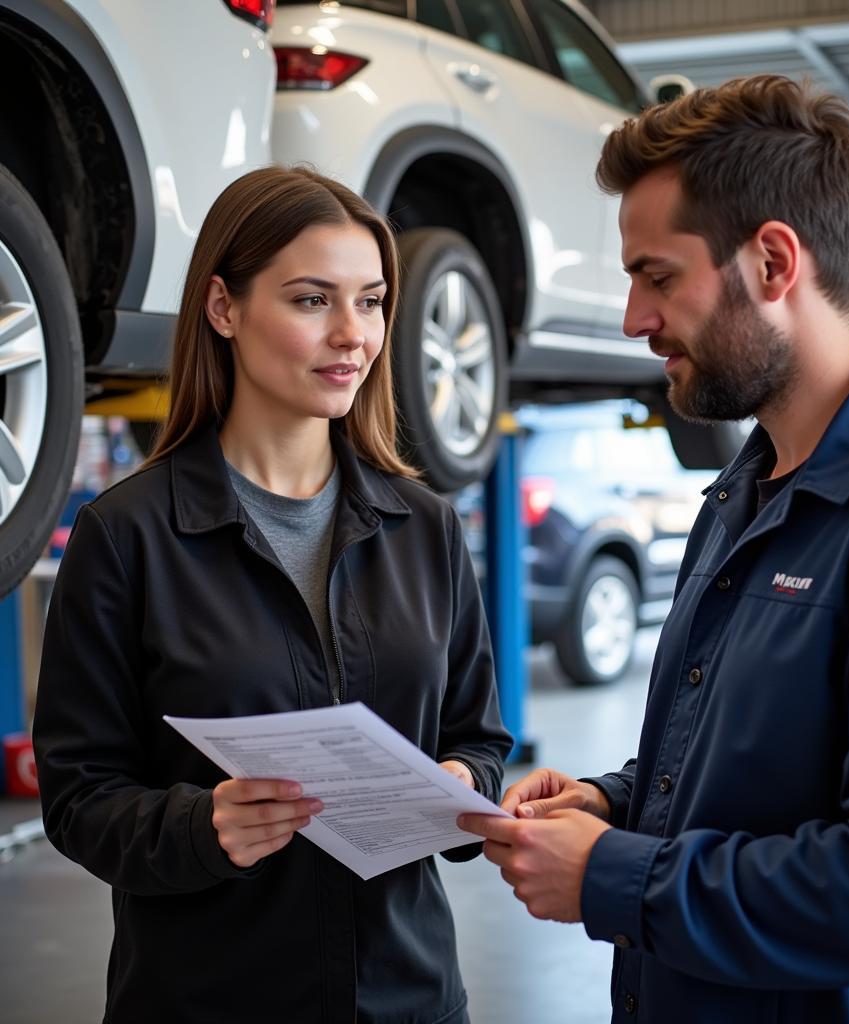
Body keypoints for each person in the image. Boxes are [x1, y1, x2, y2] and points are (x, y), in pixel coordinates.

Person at [460, 75, 849, 1022]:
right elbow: (749, 768)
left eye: (658, 276)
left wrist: (614, 878)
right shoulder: (743, 491)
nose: (637, 320)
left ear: (772, 262)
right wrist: (613, 805)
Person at [33, 165, 512, 1023]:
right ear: (224, 308)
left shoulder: (426, 528)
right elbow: (79, 795)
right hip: (206, 1001)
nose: (352, 336)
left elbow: (479, 736)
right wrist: (199, 826)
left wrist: (452, 782)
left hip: (408, 998)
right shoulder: (128, 536)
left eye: (370, 302)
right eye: (310, 300)